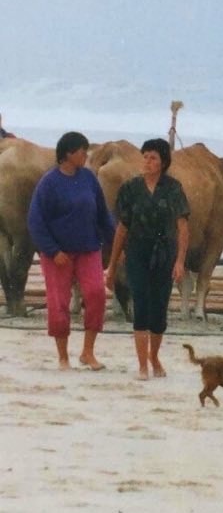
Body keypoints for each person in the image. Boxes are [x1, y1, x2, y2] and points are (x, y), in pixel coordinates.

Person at [27, 131, 115, 370]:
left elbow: (102, 214)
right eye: (81, 151)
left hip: (88, 249)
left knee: (96, 293)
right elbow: (36, 221)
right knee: (59, 303)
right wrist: (52, 250)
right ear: (68, 153)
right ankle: (63, 356)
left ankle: (88, 352)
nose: (86, 155)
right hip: (58, 255)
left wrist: (115, 242)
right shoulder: (49, 182)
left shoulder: (88, 178)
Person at [105, 138, 190, 380]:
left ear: (163, 162)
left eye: (153, 158)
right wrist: (111, 266)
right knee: (140, 306)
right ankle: (143, 365)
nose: (147, 162)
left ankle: (154, 356)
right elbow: (122, 228)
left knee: (159, 310)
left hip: (165, 254)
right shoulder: (130, 188)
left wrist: (180, 261)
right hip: (137, 254)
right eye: (145, 157)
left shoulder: (173, 188)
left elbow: (183, 227)